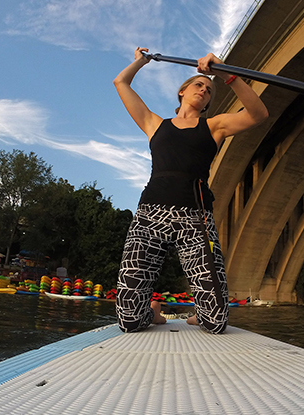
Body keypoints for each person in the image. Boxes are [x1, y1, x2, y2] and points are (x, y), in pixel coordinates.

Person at [113, 47, 268, 334]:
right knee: (129, 321)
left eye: (209, 90)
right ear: (182, 92)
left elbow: (258, 114)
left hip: (196, 220)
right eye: (199, 84)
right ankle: (153, 311)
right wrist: (140, 62)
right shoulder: (155, 124)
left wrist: (223, 72)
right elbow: (121, 83)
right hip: (150, 217)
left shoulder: (214, 126)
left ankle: (201, 313)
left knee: (216, 324)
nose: (204, 90)